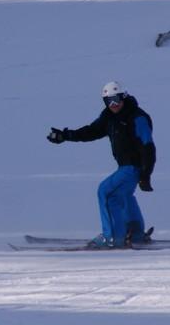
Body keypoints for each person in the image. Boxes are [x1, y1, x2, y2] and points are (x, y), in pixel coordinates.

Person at [47, 81, 156, 248]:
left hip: (133, 167)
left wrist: (145, 174)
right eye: (108, 101)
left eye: (116, 99)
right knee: (123, 195)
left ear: (123, 97)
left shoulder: (137, 117)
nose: (113, 104)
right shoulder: (109, 117)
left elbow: (148, 147)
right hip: (125, 167)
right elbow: (92, 131)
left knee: (105, 192)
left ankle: (112, 237)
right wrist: (65, 136)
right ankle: (135, 233)